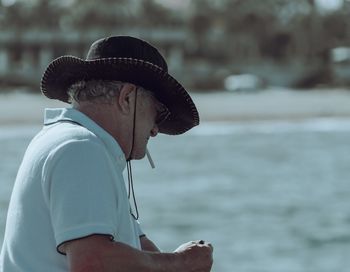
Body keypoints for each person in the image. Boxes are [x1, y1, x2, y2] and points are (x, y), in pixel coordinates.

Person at [0, 36, 213, 271]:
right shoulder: (81, 149)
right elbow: (92, 262)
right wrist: (181, 262)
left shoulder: (67, 141)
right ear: (127, 98)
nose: (155, 130)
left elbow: (137, 248)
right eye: (158, 113)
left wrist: (180, 263)